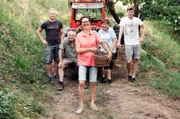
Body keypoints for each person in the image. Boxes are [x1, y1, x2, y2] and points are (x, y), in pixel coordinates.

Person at [75, 16, 112, 114]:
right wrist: (91, 49)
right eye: (83, 22)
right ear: (81, 24)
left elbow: (102, 43)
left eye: (87, 21)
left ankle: (92, 102)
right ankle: (81, 104)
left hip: (93, 61)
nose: (86, 23)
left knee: (93, 83)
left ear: (89, 23)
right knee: (81, 83)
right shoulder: (78, 36)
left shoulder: (95, 33)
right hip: (82, 61)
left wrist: (109, 52)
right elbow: (78, 50)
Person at [118, 6, 146, 82]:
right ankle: (129, 73)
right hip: (128, 43)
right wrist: (119, 42)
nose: (130, 13)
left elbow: (144, 27)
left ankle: (133, 75)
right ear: (127, 12)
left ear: (134, 12)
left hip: (136, 42)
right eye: (129, 12)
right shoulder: (124, 20)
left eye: (132, 12)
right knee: (128, 61)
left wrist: (142, 37)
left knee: (135, 60)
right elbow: (120, 31)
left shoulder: (137, 20)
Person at [36, 8, 64, 82]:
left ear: (55, 14)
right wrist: (42, 40)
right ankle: (49, 76)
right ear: (49, 14)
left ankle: (55, 75)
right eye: (51, 13)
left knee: (56, 61)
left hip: (57, 44)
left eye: (53, 13)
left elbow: (62, 33)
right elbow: (38, 31)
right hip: (49, 45)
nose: (52, 15)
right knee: (48, 61)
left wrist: (61, 42)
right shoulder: (46, 23)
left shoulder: (59, 23)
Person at [98, 18, 117, 84]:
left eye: (105, 24)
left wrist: (110, 51)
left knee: (107, 63)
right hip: (102, 50)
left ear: (108, 25)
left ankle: (109, 78)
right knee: (103, 64)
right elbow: (98, 41)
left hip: (111, 50)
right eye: (103, 24)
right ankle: (103, 77)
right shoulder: (100, 31)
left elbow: (115, 40)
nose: (104, 26)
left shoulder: (111, 30)